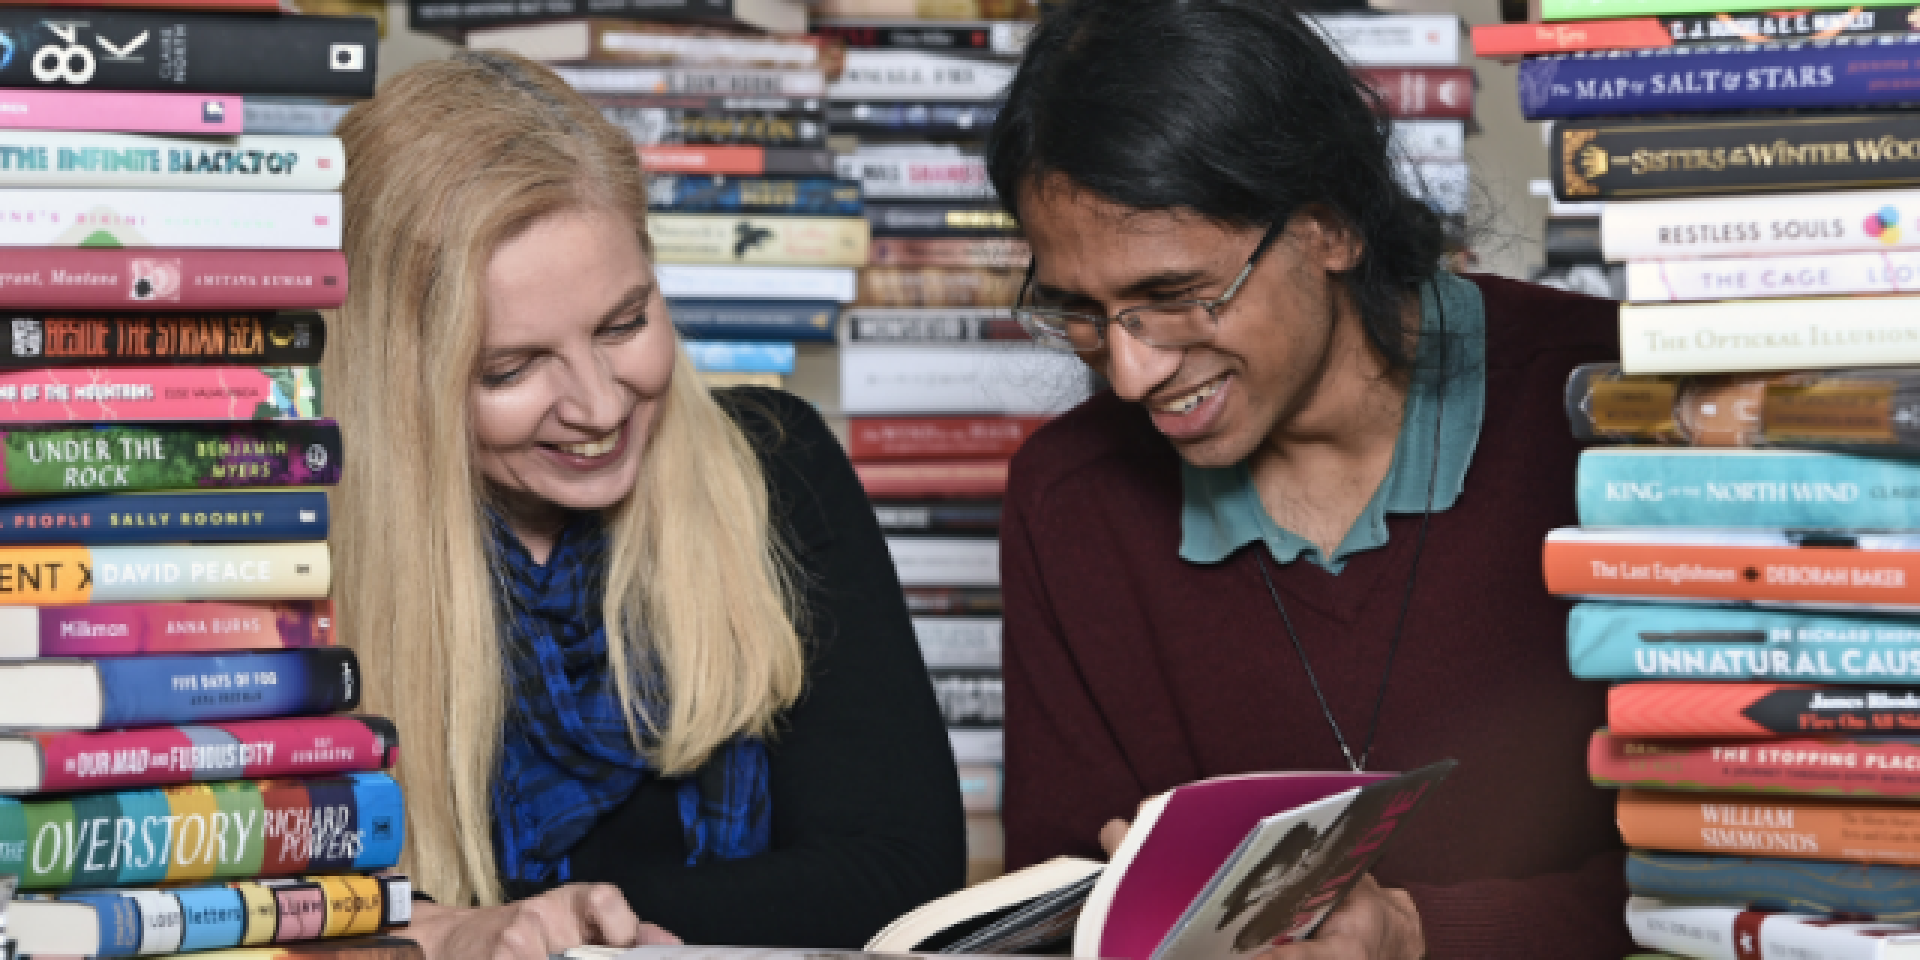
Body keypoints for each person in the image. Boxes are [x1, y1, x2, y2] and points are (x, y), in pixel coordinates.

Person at [984, 1, 1636, 957]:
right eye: (1079, 311)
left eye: (1174, 297)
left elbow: (1765, 873)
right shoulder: (1065, 499)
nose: (1131, 375)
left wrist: (1419, 932)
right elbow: (1057, 905)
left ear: (1330, 225)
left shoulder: (1616, 410)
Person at [327, 51, 966, 959]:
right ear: (399, 385)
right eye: (510, 369)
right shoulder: (292, 553)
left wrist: (562, 923)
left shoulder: (776, 468)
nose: (598, 405)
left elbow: (905, 875)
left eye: (625, 324)